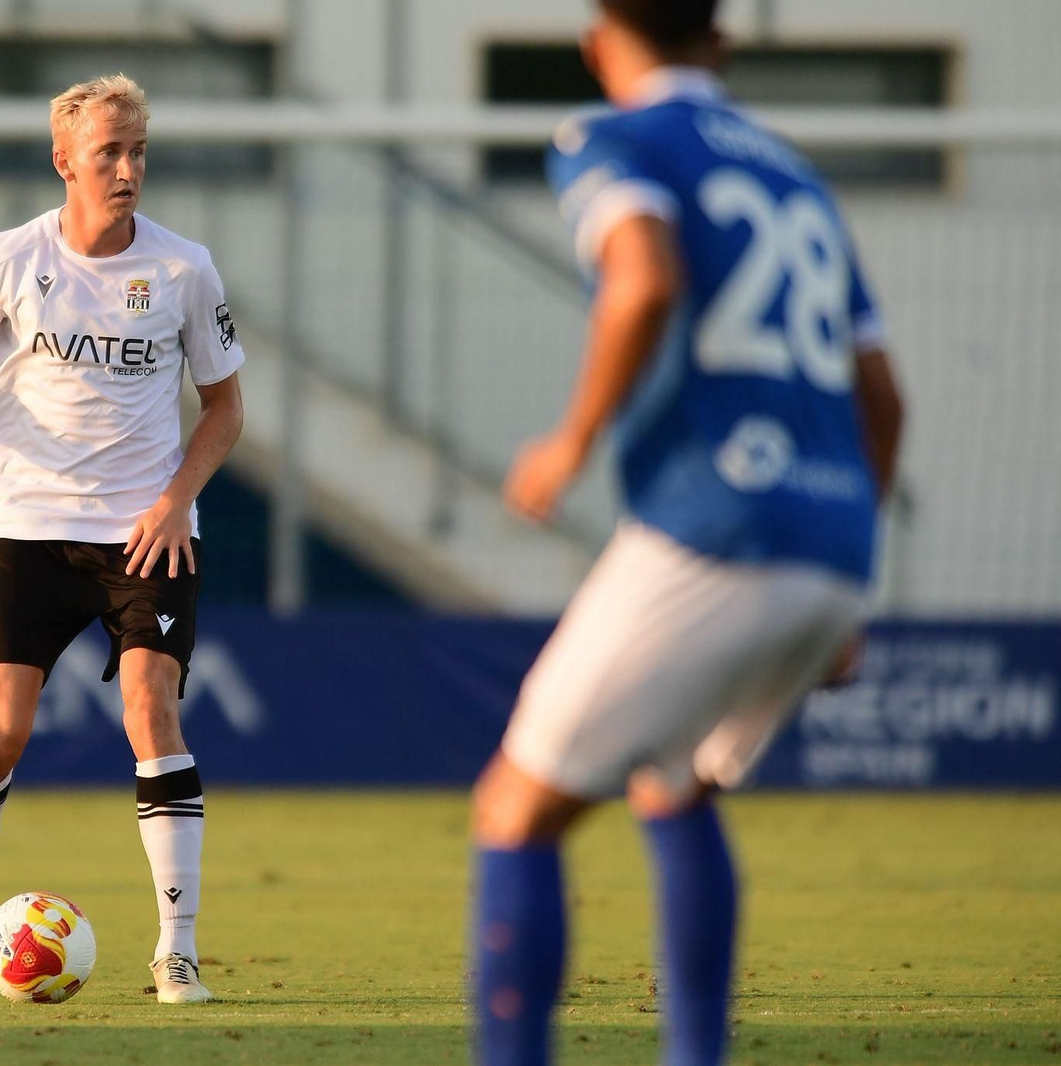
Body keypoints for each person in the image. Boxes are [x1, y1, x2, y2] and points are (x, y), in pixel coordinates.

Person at [471, 1, 905, 1062]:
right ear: (719, 38)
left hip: (713, 524)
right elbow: (882, 399)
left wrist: (571, 439)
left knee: (512, 811)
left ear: (597, 40)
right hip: (833, 539)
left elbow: (644, 277)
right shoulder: (795, 174)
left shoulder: (606, 137)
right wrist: (847, 570)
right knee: (671, 780)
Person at [0, 74, 245, 1004]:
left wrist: (180, 496)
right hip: (30, 532)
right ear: (65, 159)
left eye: (139, 150)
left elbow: (225, 410)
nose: (128, 167)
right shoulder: (11, 257)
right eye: (109, 151)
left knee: (152, 709)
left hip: (148, 534)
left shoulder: (184, 270)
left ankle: (176, 948)